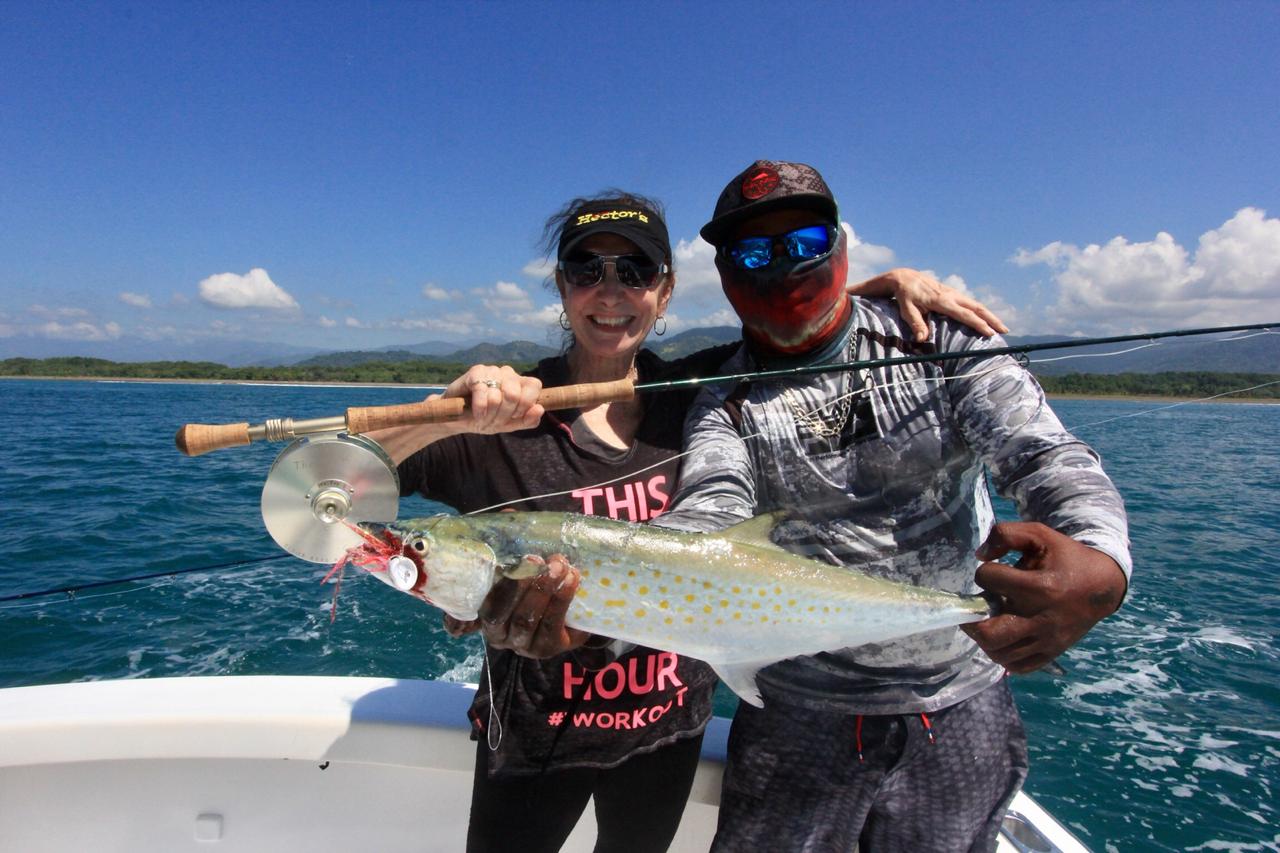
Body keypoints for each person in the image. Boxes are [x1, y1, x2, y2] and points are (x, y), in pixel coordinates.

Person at [367, 190, 1005, 853]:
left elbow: (795, 328)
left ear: (665, 291)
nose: (610, 291)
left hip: (665, 736)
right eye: (587, 269)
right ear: (562, 287)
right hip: (532, 738)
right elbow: (320, 496)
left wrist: (880, 288)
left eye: (636, 271)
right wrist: (439, 413)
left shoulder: (701, 393)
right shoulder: (494, 422)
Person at [656, 160, 1132, 852]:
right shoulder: (723, 402)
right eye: (752, 252)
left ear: (843, 246)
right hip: (799, 711)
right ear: (726, 272)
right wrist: (606, 586)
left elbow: (1045, 456)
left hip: (959, 697)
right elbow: (710, 512)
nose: (781, 266)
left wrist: (1102, 562)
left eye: (806, 241)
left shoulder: (936, 337)